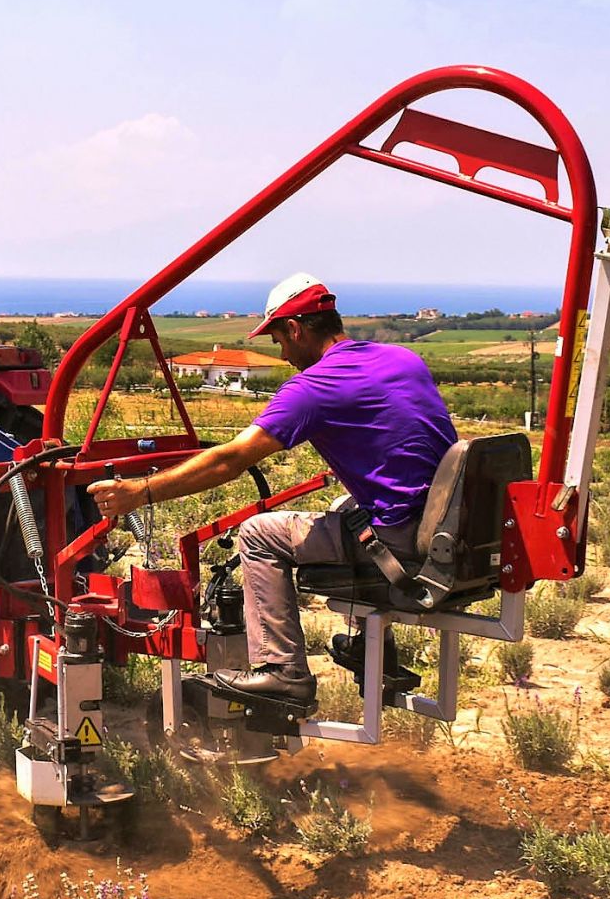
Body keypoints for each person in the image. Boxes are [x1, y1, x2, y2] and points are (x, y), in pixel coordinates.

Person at [89, 273, 458, 707]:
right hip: (448, 524)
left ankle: (282, 673)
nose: (283, 355)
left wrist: (140, 491)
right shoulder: (402, 359)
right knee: (347, 506)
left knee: (259, 534)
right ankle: (376, 652)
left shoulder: (312, 389)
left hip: (404, 540)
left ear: (297, 329)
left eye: (280, 341)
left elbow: (232, 459)